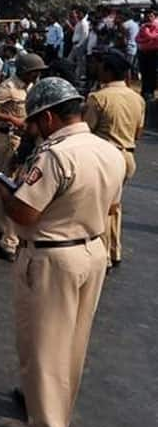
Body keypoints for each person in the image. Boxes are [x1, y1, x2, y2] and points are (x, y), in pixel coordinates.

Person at [0, 77, 125, 427]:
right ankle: (48, 406)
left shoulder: (57, 155)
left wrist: (6, 190)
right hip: (91, 249)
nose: (32, 128)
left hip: (52, 254)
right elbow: (113, 206)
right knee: (73, 342)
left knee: (44, 344)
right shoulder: (108, 151)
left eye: (34, 121)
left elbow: (24, 210)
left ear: (49, 118)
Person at [0, 53, 48, 262]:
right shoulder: (8, 87)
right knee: (12, 187)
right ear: (25, 71)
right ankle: (7, 237)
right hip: (9, 138)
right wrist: (11, 118)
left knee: (6, 184)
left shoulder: (29, 88)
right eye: (35, 71)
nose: (37, 75)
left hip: (22, 139)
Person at [83, 51, 145, 269]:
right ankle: (114, 249)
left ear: (107, 70)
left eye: (99, 65)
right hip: (128, 155)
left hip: (105, 157)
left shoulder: (98, 98)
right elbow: (138, 132)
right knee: (114, 205)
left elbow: (85, 131)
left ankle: (104, 256)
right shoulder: (137, 99)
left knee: (100, 207)